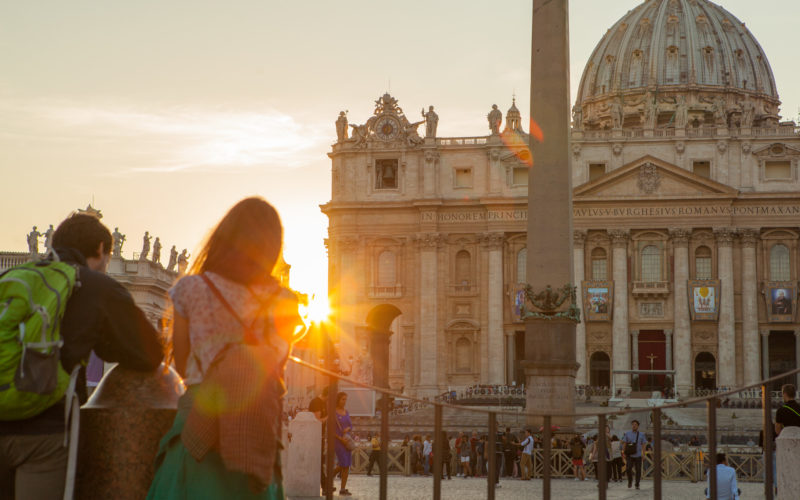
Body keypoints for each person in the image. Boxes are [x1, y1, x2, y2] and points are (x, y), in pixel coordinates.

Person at [146, 197, 303, 499]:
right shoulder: (284, 301)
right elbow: (274, 369)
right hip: (255, 425)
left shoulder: (191, 289)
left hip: (198, 419)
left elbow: (182, 364)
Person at [1, 212, 163, 500]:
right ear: (101, 250)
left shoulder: (13, 278)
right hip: (47, 434)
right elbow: (149, 353)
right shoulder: (96, 286)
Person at [308, 387, 329, 492]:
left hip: (320, 437)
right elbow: (318, 421)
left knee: (319, 461)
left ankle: (325, 485)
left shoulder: (323, 403)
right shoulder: (317, 403)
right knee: (318, 461)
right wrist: (329, 417)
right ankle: (324, 486)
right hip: (314, 437)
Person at [333, 392, 353, 496]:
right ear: (338, 400)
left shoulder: (346, 412)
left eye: (346, 399)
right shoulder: (333, 413)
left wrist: (348, 429)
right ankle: (329, 478)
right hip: (338, 442)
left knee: (346, 465)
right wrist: (340, 439)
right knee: (343, 463)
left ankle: (343, 488)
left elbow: (350, 425)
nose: (344, 401)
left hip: (347, 441)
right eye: (343, 399)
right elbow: (331, 430)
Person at [622, 419, 648, 489]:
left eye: (635, 424)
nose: (634, 425)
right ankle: (630, 481)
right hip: (630, 455)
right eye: (633, 424)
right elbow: (624, 443)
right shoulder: (627, 433)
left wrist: (644, 454)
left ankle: (637, 484)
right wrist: (623, 452)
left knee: (638, 470)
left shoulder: (641, 434)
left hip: (638, 455)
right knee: (628, 468)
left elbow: (644, 444)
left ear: (638, 426)